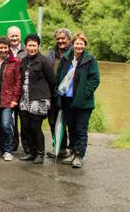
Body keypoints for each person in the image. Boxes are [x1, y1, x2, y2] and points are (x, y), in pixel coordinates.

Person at [56, 33, 100, 168]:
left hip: (83, 102)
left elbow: (95, 80)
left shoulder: (90, 60)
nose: (79, 46)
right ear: (72, 44)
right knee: (71, 129)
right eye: (77, 43)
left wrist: (84, 94)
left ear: (85, 45)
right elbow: (59, 76)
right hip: (67, 100)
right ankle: (72, 152)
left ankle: (79, 155)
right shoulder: (66, 58)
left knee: (80, 129)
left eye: (82, 44)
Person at [18, 34, 55, 164]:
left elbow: (52, 81)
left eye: (34, 45)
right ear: (26, 46)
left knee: (35, 127)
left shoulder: (44, 61)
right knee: (26, 127)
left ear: (38, 46)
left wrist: (50, 99)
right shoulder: (24, 61)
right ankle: (31, 152)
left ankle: (40, 153)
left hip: (39, 99)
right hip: (25, 99)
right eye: (29, 45)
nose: (32, 48)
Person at [0, 36, 21, 162]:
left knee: (6, 125)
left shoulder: (15, 62)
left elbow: (18, 81)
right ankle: (0, 148)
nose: (3, 50)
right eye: (0, 47)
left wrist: (15, 98)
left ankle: (8, 150)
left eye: (5, 47)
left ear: (9, 48)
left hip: (8, 99)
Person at [45, 28, 72, 159]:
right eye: (58, 39)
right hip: (52, 94)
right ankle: (60, 148)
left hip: (69, 94)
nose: (60, 41)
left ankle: (73, 150)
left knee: (71, 123)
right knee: (53, 121)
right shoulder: (50, 54)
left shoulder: (74, 53)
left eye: (63, 38)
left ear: (69, 39)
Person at [7, 25, 27, 154]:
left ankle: (27, 147)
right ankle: (12, 144)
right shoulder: (4, 50)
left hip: (25, 91)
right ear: (8, 37)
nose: (14, 38)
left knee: (25, 120)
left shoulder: (27, 50)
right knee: (10, 120)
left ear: (20, 37)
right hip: (9, 92)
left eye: (16, 36)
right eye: (12, 36)